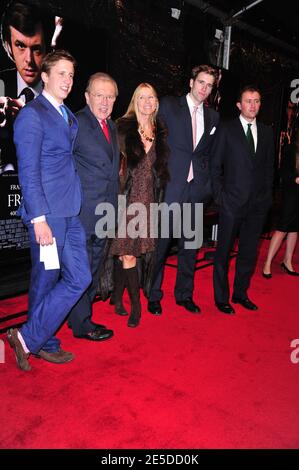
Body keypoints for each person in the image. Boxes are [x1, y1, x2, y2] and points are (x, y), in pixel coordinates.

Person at [7, 50, 91, 371]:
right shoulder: (32, 115)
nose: (67, 81)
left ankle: (28, 338)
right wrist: (39, 218)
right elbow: (27, 171)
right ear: (45, 76)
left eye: (71, 75)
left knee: (79, 277)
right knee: (45, 279)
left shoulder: (66, 113)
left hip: (69, 211)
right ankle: (44, 342)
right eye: (61, 74)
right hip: (48, 216)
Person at [148, 65, 219, 315]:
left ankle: (184, 294)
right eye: (201, 82)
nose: (204, 89)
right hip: (170, 187)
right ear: (191, 82)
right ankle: (153, 294)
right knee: (161, 245)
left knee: (190, 246)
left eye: (209, 85)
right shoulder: (168, 105)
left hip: (197, 191)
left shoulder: (213, 117)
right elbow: (151, 139)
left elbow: (207, 154)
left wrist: (207, 185)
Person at [210, 85, 274, 314]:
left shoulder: (267, 132)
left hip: (257, 206)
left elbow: (268, 169)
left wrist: (266, 199)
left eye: (256, 101)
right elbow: (214, 165)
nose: (253, 105)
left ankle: (240, 293)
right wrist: (220, 197)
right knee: (224, 252)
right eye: (248, 101)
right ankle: (221, 298)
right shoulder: (226, 129)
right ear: (239, 104)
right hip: (231, 203)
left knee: (248, 252)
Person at [109, 82, 169, 327]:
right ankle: (136, 306)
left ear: (156, 103)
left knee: (130, 253)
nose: (147, 102)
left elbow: (161, 171)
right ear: (135, 101)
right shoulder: (122, 128)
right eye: (142, 97)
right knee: (128, 254)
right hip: (126, 200)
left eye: (152, 97)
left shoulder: (160, 131)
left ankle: (116, 297)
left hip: (149, 201)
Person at [67, 73, 119, 340]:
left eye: (110, 96)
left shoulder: (112, 127)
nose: (105, 101)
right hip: (82, 214)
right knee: (82, 271)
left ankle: (78, 316)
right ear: (87, 97)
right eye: (99, 95)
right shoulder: (75, 123)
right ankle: (82, 324)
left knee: (94, 268)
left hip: (105, 213)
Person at [0, 1, 54, 172]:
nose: (29, 60)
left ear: (48, 49)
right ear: (8, 45)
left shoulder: (70, 96)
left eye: (37, 49)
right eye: (20, 46)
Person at [263, 125, 299, 278]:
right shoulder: (291, 148)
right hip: (291, 193)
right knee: (282, 228)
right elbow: (282, 171)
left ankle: (287, 261)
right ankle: (267, 263)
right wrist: (296, 179)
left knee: (295, 228)